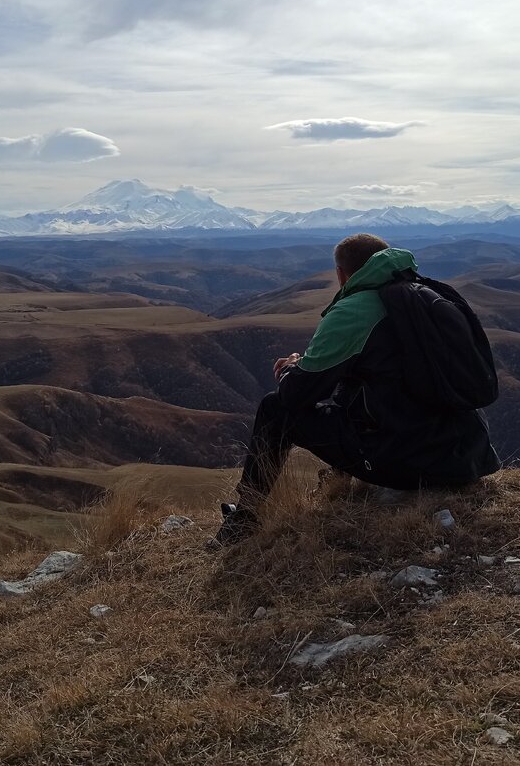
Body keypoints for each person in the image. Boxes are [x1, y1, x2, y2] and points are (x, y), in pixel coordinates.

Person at [214, 233, 500, 546]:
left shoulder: (353, 311)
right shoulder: (427, 294)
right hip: (468, 455)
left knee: (274, 409)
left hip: (408, 462)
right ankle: (336, 479)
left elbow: (295, 395)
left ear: (341, 274)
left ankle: (245, 519)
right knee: (361, 386)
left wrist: (291, 369)